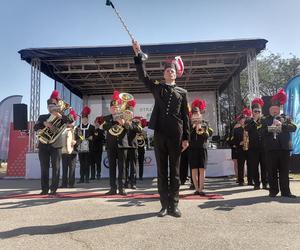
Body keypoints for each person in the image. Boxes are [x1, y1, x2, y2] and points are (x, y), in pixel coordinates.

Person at [133, 41, 190, 217]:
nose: (169, 72)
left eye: (172, 70)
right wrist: (138, 55)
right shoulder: (157, 88)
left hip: (176, 136)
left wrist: (186, 137)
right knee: (161, 172)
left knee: (175, 172)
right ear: (164, 74)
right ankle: (164, 205)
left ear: (176, 74)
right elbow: (143, 76)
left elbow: (185, 117)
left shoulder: (183, 92)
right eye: (166, 70)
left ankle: (174, 205)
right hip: (159, 134)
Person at [34, 90, 73, 195]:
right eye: (50, 106)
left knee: (56, 168)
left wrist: (60, 116)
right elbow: (35, 127)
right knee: (44, 168)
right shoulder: (43, 117)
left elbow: (70, 120)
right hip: (43, 145)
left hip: (56, 145)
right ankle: (44, 189)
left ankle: (53, 189)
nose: (52, 108)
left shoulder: (62, 117)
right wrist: (45, 123)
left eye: (54, 106)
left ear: (57, 106)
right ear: (48, 108)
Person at [262, 89, 297, 198]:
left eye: (276, 109)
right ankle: (273, 191)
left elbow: (294, 128)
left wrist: (282, 125)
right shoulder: (265, 119)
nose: (274, 111)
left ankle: (286, 192)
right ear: (269, 110)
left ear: (279, 109)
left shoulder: (286, 118)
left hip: (284, 149)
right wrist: (272, 127)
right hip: (271, 149)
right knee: (271, 172)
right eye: (272, 109)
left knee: (284, 172)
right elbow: (261, 132)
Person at [102, 91, 130, 196]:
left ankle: (122, 188)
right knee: (112, 167)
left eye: (117, 107)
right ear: (110, 109)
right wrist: (115, 121)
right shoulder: (106, 118)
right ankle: (112, 188)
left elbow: (128, 128)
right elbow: (105, 127)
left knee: (122, 168)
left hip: (123, 144)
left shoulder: (124, 116)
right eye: (113, 108)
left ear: (119, 108)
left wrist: (124, 123)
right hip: (111, 145)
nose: (115, 109)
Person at [189, 99, 213, 195]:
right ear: (192, 115)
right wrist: (193, 127)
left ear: (200, 113)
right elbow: (186, 136)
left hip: (202, 148)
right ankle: (196, 188)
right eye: (194, 113)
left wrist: (200, 126)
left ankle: (201, 189)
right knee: (194, 169)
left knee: (202, 169)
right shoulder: (189, 125)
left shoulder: (205, 124)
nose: (196, 115)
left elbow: (207, 136)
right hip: (192, 149)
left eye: (197, 113)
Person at [245, 98, 268, 190]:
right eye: (255, 111)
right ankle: (257, 183)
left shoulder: (265, 120)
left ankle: (265, 183)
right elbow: (246, 129)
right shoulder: (249, 121)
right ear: (252, 112)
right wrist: (254, 120)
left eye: (259, 111)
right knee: (254, 166)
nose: (257, 113)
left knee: (264, 166)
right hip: (253, 148)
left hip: (264, 147)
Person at [231, 108, 252, 186]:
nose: (243, 121)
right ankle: (241, 180)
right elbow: (233, 141)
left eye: (244, 119)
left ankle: (250, 180)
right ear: (239, 121)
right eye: (242, 119)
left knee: (249, 165)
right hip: (240, 149)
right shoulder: (236, 130)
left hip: (249, 149)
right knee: (240, 165)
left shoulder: (250, 128)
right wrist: (239, 143)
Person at [61, 109, 79, 188]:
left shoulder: (77, 129)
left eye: (71, 122)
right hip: (64, 151)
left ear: (74, 122)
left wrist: (76, 141)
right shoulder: (63, 129)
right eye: (68, 123)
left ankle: (71, 184)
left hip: (73, 151)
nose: (69, 124)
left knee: (72, 168)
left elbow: (81, 138)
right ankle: (64, 184)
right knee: (64, 168)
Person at [77, 106, 95, 184]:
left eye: (85, 118)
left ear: (87, 119)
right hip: (81, 148)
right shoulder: (78, 127)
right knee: (82, 164)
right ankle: (81, 178)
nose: (84, 119)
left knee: (87, 164)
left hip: (89, 148)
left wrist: (90, 138)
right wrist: (82, 137)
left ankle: (87, 178)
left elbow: (94, 137)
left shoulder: (91, 127)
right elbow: (77, 136)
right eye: (83, 118)